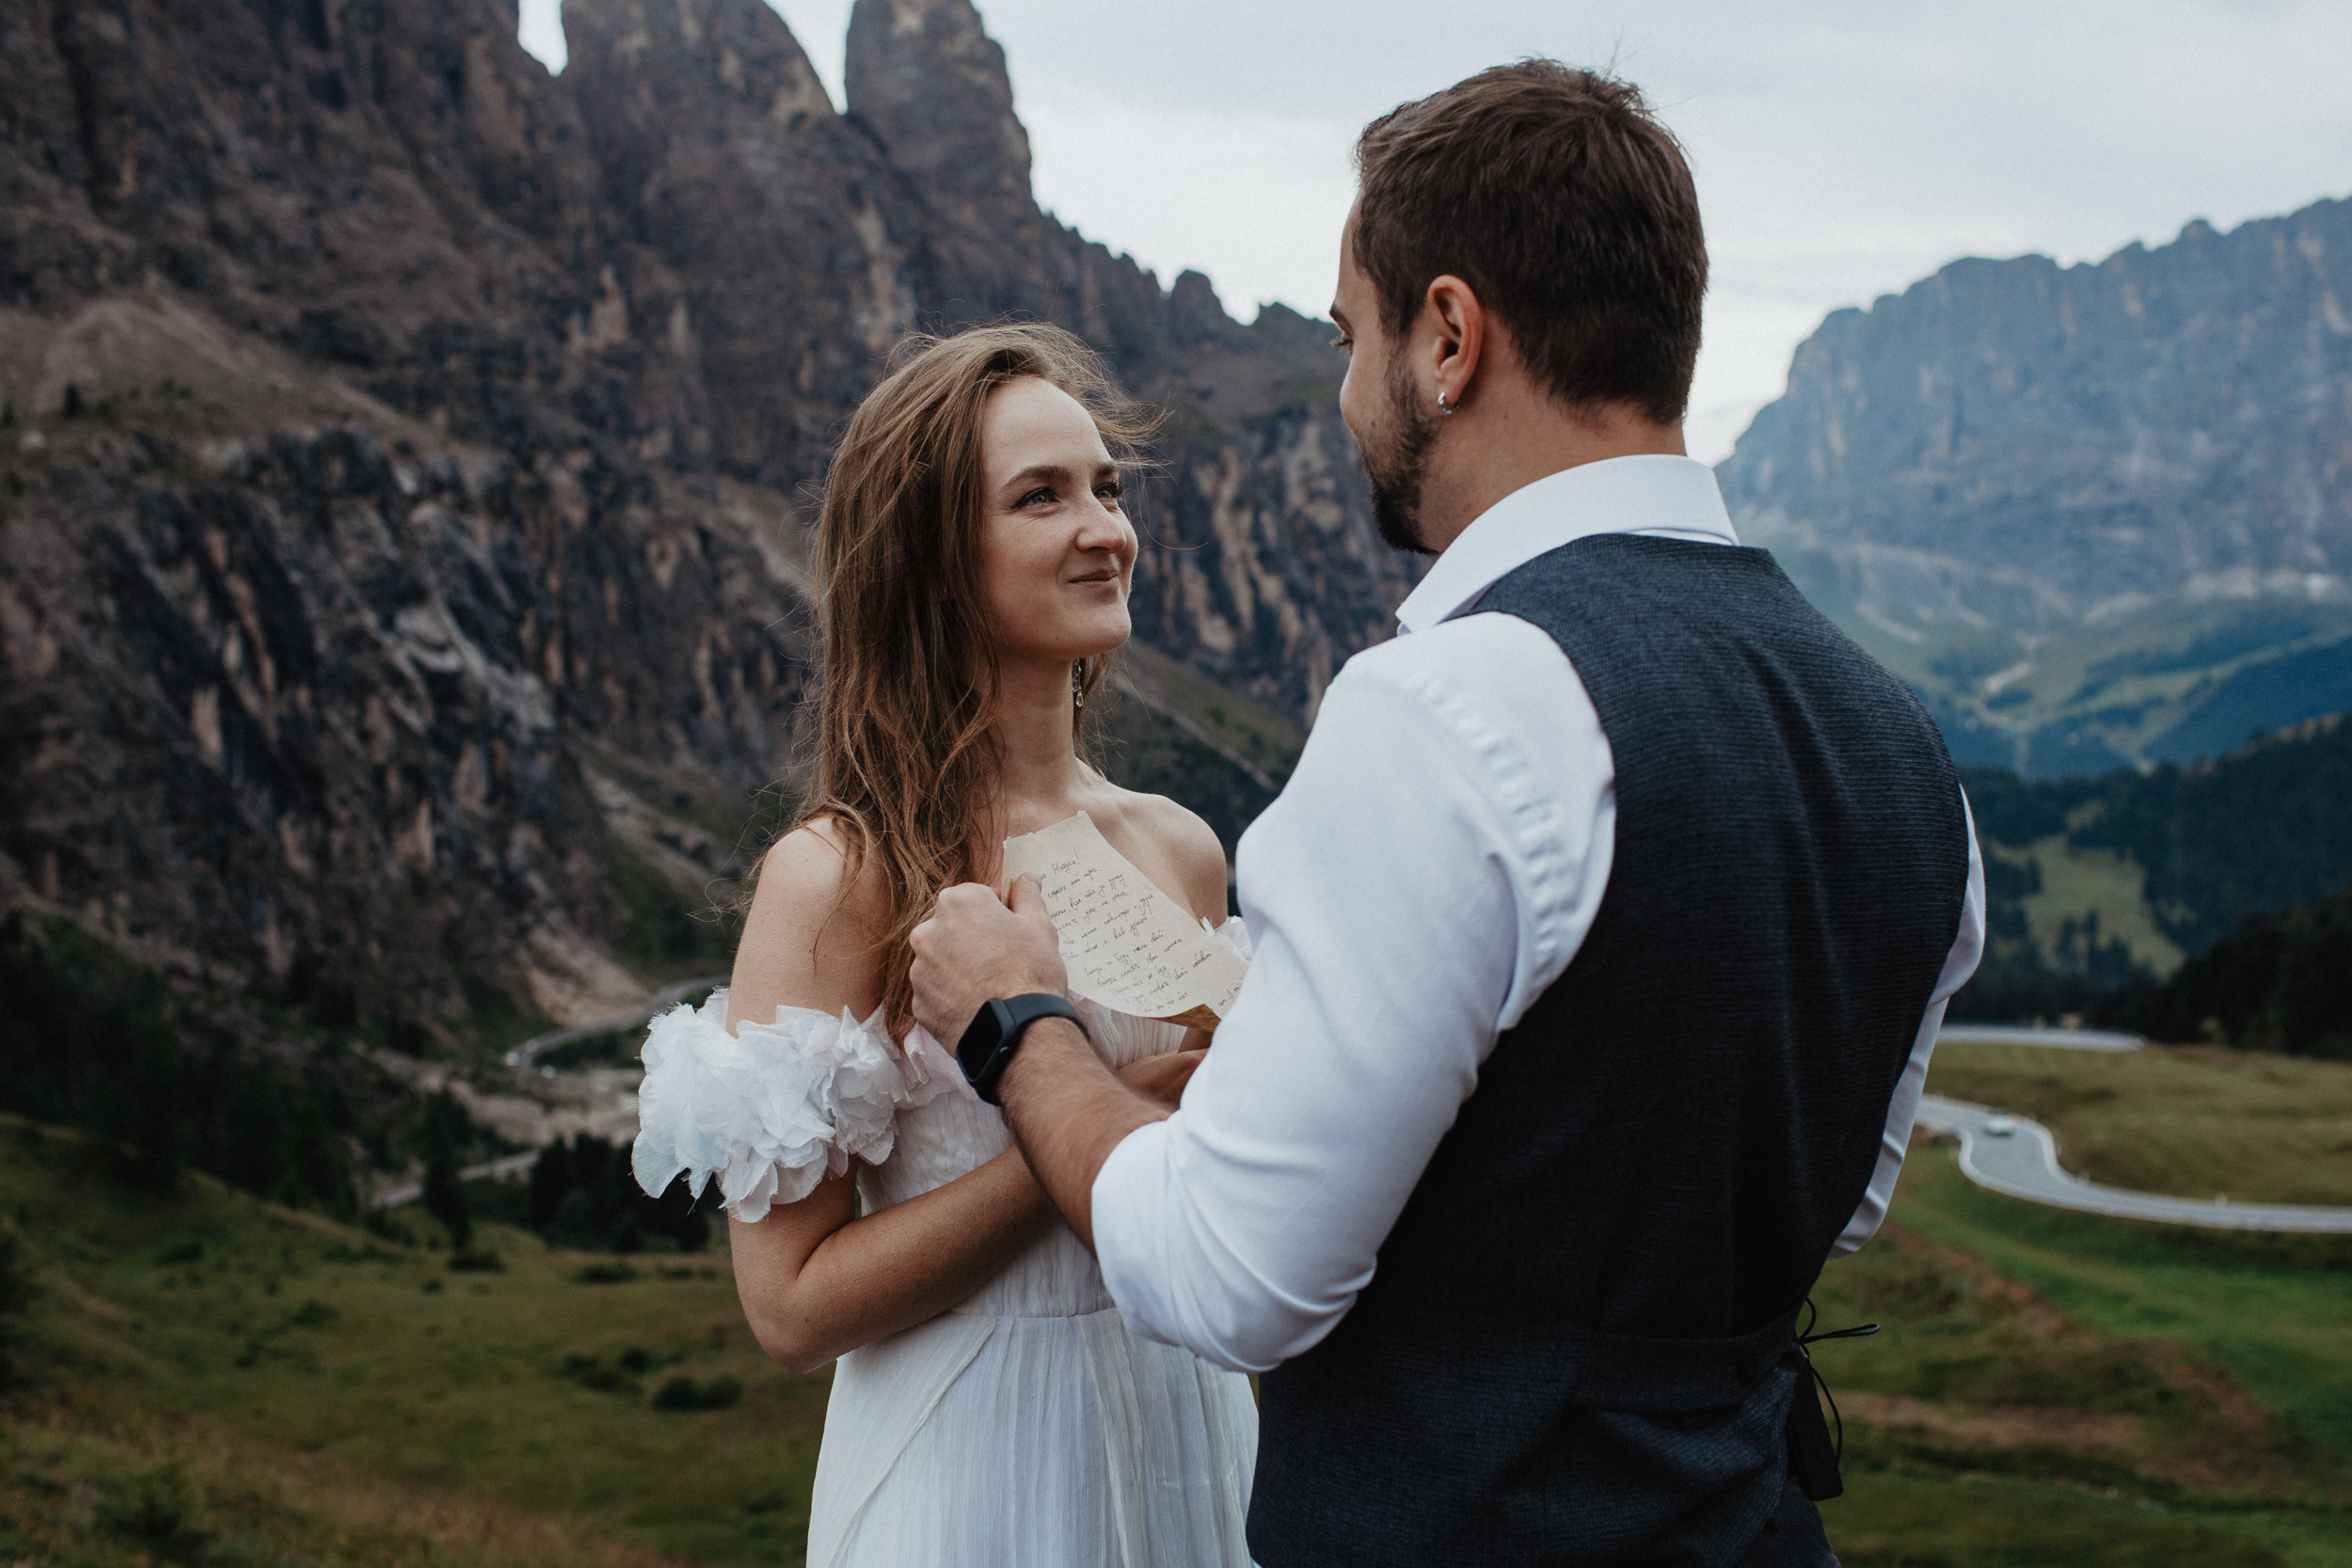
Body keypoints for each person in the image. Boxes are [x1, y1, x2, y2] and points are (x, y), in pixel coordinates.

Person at [907, 62, 1988, 1568]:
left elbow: (1230, 1275)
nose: (1350, 391)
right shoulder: (1906, 749)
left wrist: (1023, 1032)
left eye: (1353, 336)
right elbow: (1837, 1204)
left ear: (1450, 339)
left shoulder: (1450, 710)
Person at [630, 324, 1258, 1568]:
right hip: (974, 1459)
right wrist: (1082, 1113)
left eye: (1107, 488)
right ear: (933, 559)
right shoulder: (840, 879)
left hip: (1197, 1426)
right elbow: (792, 1309)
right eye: (1043, 497)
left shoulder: (1179, 846)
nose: (1105, 530)